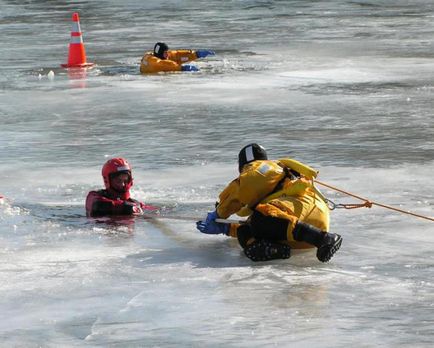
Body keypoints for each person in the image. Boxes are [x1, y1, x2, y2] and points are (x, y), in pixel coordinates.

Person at [196, 143, 342, 262]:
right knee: (246, 229)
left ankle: (324, 238)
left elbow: (244, 186)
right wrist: (226, 228)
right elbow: (261, 223)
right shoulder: (273, 183)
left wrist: (219, 213)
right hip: (304, 231)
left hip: (303, 210)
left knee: (260, 219)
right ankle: (272, 249)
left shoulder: (262, 168)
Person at [86, 157, 157, 217]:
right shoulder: (95, 196)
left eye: (125, 180)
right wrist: (126, 208)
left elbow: (151, 210)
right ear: (107, 180)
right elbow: (97, 206)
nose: (122, 184)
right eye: (118, 181)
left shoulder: (134, 203)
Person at [140, 42, 215, 74]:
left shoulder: (162, 56)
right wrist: (182, 68)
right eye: (165, 52)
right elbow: (164, 65)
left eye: (167, 52)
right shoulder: (153, 62)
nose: (167, 54)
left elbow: (178, 56)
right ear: (159, 53)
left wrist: (196, 54)